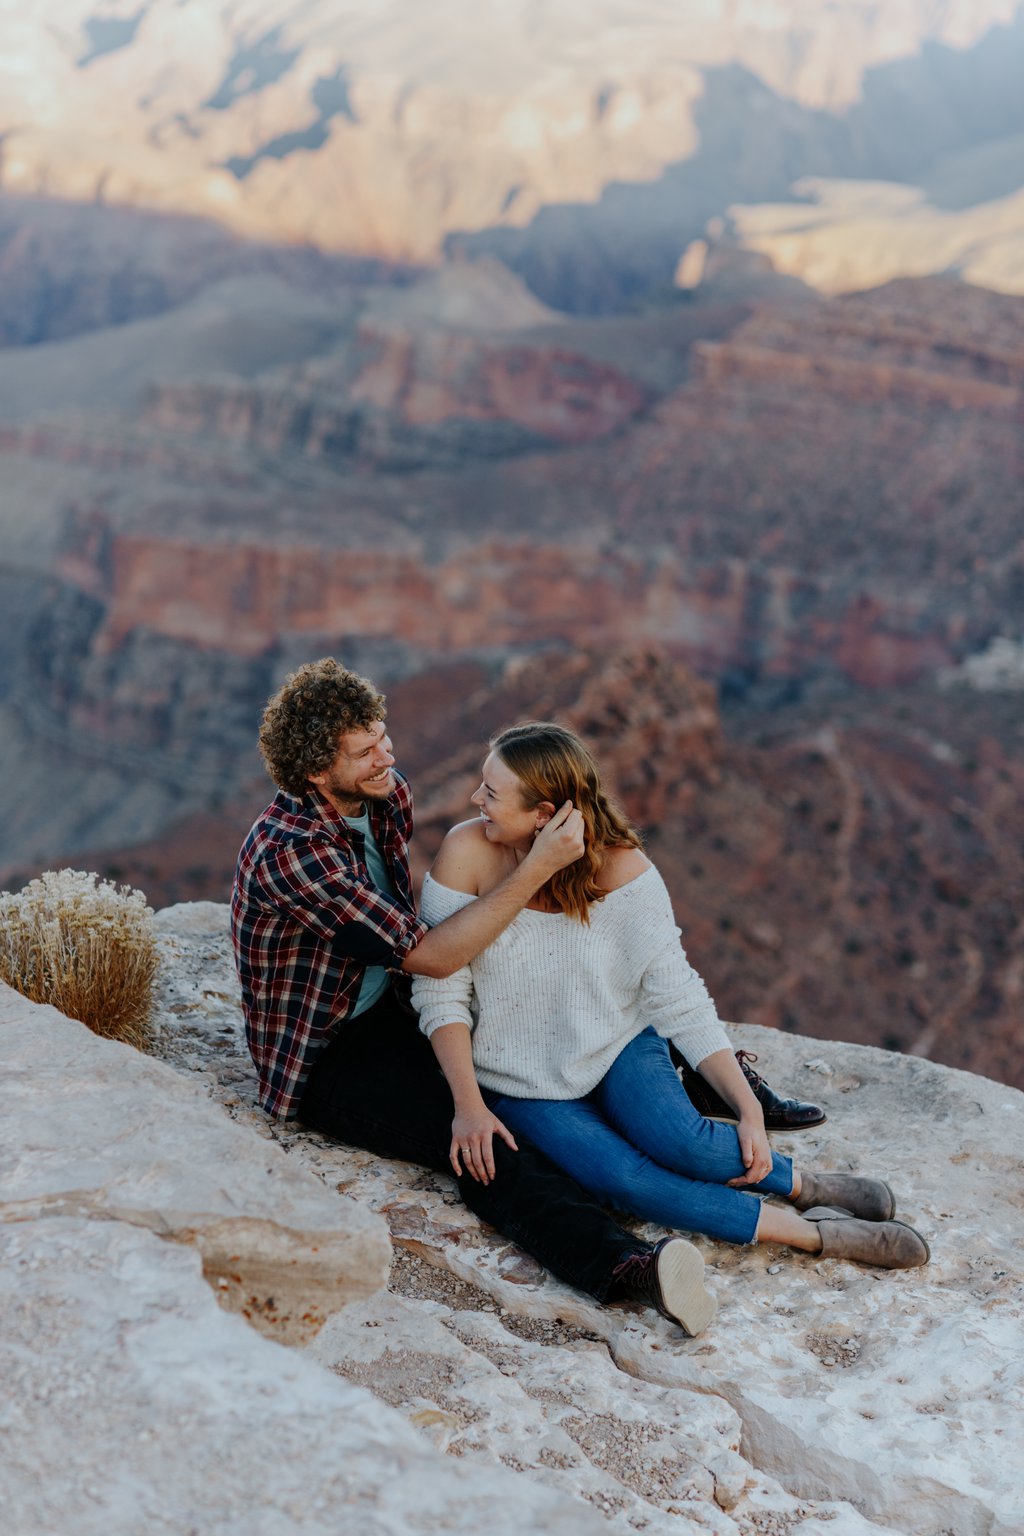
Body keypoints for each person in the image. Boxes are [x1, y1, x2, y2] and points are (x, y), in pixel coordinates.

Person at [232, 658, 716, 1335]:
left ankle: (703, 1079)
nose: (388, 757)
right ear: (317, 772)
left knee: (536, 1027)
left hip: (396, 999)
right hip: (329, 1052)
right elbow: (429, 954)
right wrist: (537, 868)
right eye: (366, 751)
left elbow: (416, 945)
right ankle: (626, 1267)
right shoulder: (291, 852)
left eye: (384, 737)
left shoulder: (383, 795)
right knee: (485, 1141)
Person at [412, 722, 930, 1271]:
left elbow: (676, 993)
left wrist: (747, 1106)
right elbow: (440, 986)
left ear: (544, 815)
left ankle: (803, 1183)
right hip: (520, 1081)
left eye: (491, 793)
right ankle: (813, 1233)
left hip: (617, 1044)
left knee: (681, 1140)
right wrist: (468, 1105)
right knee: (622, 1180)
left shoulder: (622, 869)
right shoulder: (466, 851)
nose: (474, 800)